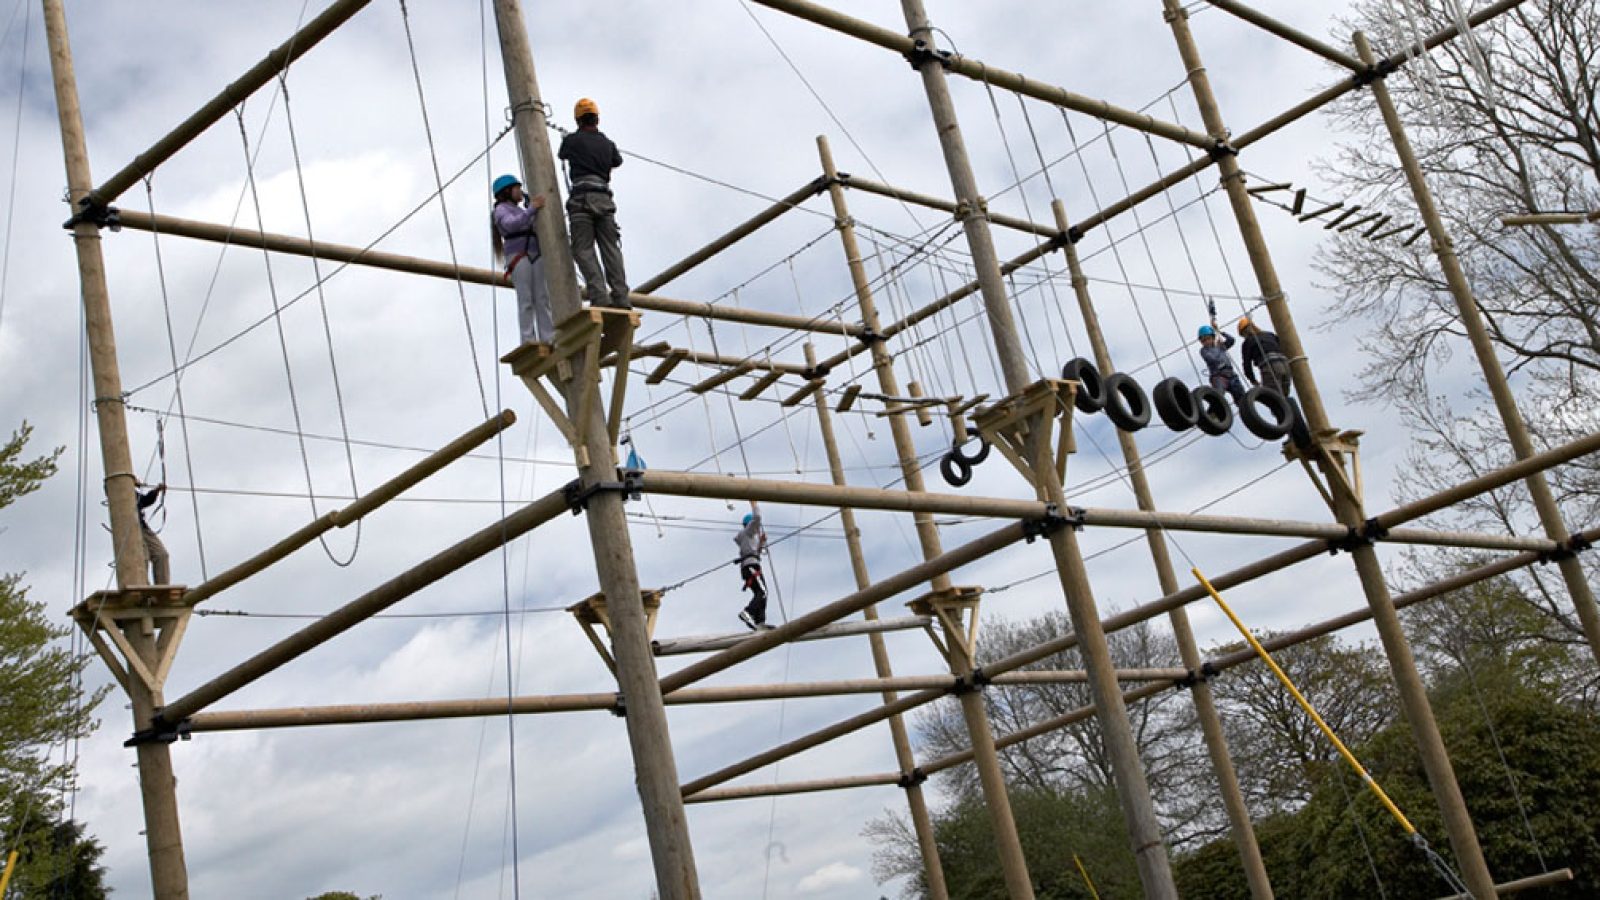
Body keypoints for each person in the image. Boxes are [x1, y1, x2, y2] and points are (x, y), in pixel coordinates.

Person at [557, 97, 630, 309]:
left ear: (578, 120)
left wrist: (570, 139)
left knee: (583, 249)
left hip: (581, 199)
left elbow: (562, 154)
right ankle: (621, 297)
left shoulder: (572, 141)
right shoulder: (607, 144)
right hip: (604, 200)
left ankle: (600, 296)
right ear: (597, 119)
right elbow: (617, 161)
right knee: (611, 249)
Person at [490, 174, 553, 345]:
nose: (520, 191)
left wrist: (531, 209)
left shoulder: (520, 210)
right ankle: (528, 339)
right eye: (517, 188)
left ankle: (548, 336)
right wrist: (531, 209)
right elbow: (511, 224)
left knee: (542, 297)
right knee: (526, 299)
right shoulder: (501, 210)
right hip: (518, 255)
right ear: (507, 191)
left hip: (534, 252)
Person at [734, 500, 771, 631]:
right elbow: (758, 517)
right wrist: (754, 503)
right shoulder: (748, 532)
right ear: (750, 525)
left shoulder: (748, 538)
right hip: (751, 566)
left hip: (750, 566)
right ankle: (748, 612)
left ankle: (760, 622)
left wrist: (761, 542)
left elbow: (755, 552)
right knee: (763, 592)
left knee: (761, 593)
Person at [1238, 316, 1294, 398]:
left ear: (1244, 332)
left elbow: (1247, 365)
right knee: (1284, 397)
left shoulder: (1248, 342)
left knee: (1272, 397)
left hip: (1271, 366)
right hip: (1285, 364)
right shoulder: (1269, 334)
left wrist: (1253, 380)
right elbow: (1281, 347)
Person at [1197, 321, 1247, 405]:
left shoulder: (1220, 346)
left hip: (1231, 375)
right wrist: (1218, 347)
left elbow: (1231, 340)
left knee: (1242, 399)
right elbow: (1212, 359)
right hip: (1218, 376)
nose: (1206, 341)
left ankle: (1245, 409)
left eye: (1208, 338)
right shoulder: (1204, 350)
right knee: (1218, 397)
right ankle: (1216, 410)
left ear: (1213, 337)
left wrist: (1218, 331)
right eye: (1203, 340)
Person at [136, 480, 170, 585]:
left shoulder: (133, 494)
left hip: (143, 528)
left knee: (161, 555)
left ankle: (163, 588)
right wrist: (131, 481)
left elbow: (145, 500)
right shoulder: (117, 488)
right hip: (129, 529)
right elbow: (109, 487)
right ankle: (143, 586)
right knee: (143, 557)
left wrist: (156, 490)